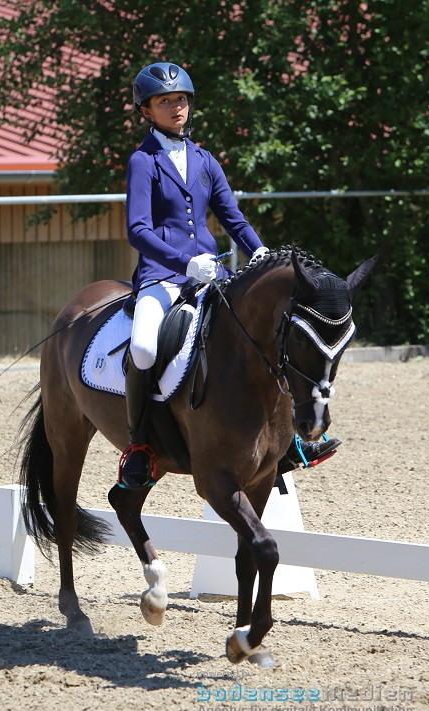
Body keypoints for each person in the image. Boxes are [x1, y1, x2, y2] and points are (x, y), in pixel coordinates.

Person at [117, 62, 340, 490]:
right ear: (147, 111)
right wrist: (184, 263)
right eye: (165, 101)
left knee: (267, 336)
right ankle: (139, 447)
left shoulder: (204, 160)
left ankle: (291, 440)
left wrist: (259, 251)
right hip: (162, 278)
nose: (176, 107)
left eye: (181, 99)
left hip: (212, 276)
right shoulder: (142, 162)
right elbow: (138, 230)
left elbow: (232, 217)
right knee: (144, 348)